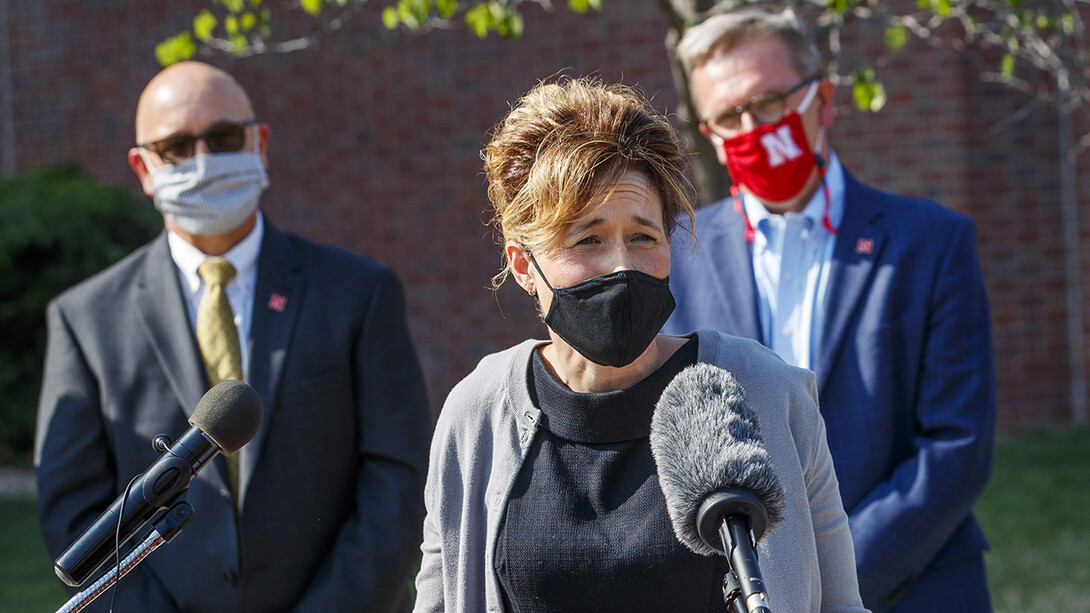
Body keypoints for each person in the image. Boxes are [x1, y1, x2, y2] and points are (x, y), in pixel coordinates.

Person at [413, 77, 866, 612]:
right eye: (589, 240)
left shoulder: (765, 392)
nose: (622, 265)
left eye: (643, 237)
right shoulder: (477, 415)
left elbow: (840, 603)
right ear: (522, 266)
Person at [34, 61, 432, 612]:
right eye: (176, 146)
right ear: (143, 168)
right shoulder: (85, 319)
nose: (203, 161)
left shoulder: (359, 293)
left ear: (259, 143)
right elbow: (73, 507)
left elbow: (397, 474)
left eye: (223, 138)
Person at [662, 8, 997, 612]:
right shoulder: (674, 258)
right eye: (727, 116)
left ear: (823, 100)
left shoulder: (930, 243)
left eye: (767, 102)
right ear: (708, 133)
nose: (751, 127)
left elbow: (956, 447)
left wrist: (827, 584)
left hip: (916, 587)